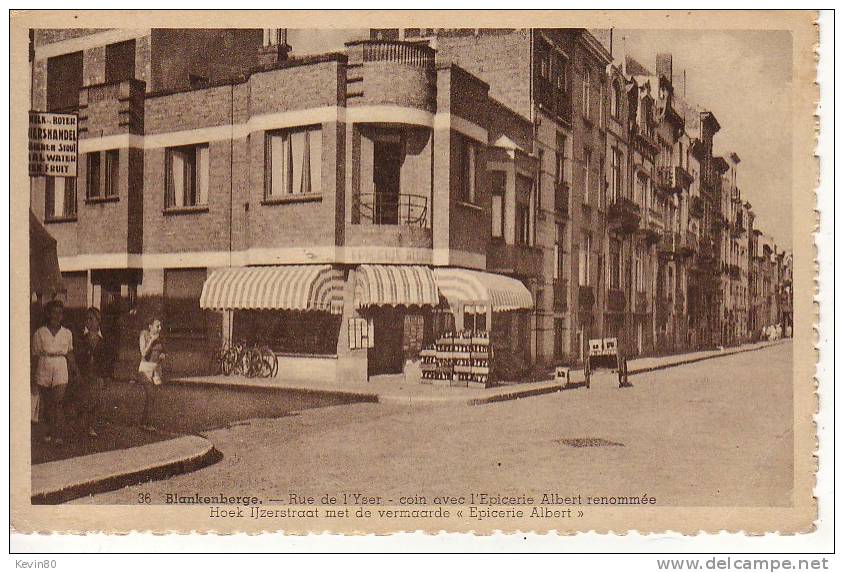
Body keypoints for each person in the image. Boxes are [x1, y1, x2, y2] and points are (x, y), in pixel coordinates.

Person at [31, 300, 79, 444]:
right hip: (44, 365)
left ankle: (59, 434)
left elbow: (70, 353)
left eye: (60, 313)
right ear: (48, 313)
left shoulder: (67, 333)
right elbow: (35, 355)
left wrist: (75, 369)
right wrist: (33, 377)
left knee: (57, 401)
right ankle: (50, 431)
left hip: (60, 366)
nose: (57, 315)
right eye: (54, 312)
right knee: (47, 402)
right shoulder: (40, 333)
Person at [73, 307, 111, 438]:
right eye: (86, 319)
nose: (88, 322)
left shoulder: (103, 340)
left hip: (97, 373)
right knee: (82, 400)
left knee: (96, 400)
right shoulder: (81, 338)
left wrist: (106, 376)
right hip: (84, 373)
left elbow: (108, 360)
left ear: (98, 321)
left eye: (91, 319)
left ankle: (91, 426)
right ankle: (80, 425)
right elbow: (77, 357)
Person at [137, 317, 165, 432]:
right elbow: (143, 353)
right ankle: (145, 423)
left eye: (160, 326)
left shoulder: (160, 338)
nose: (159, 328)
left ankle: (146, 422)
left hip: (156, 369)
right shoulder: (144, 335)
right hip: (145, 369)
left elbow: (162, 351)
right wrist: (152, 340)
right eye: (157, 326)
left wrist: (163, 356)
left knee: (152, 398)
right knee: (150, 395)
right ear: (150, 326)